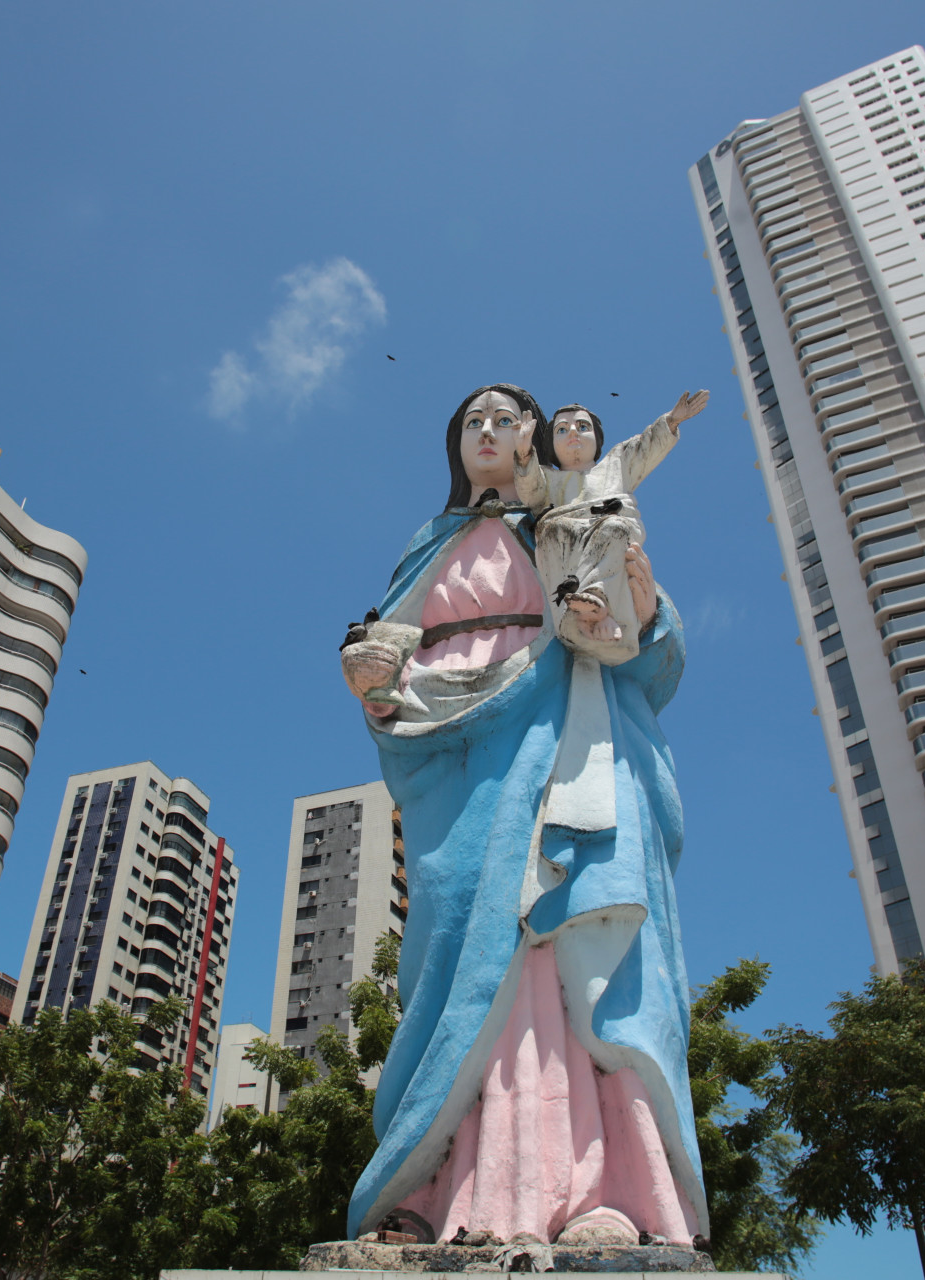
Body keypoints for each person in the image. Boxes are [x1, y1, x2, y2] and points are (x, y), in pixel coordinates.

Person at [338, 383, 703, 1248]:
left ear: (536, 439)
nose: (489, 432)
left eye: (507, 420)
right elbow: (388, 659)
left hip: (565, 734)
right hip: (457, 766)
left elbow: (647, 650)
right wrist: (376, 682)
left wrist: (640, 605)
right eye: (473, 422)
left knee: (563, 942)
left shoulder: (567, 520)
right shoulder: (430, 544)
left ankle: (601, 1192)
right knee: (453, 944)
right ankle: (429, 1189)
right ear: (455, 444)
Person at [513, 392, 709, 665]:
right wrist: (523, 452)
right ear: (551, 445)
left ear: (597, 438)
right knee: (550, 529)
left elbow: (644, 447)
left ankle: (601, 607)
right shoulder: (549, 479)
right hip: (564, 542)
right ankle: (576, 617)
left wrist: (673, 420)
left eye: (582, 427)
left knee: (614, 528)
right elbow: (530, 492)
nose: (573, 432)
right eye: (562, 429)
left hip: (611, 535)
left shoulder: (616, 464)